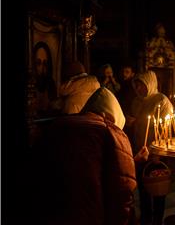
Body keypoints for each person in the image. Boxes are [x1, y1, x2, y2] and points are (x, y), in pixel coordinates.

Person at [30, 86, 149, 225]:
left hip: (47, 211)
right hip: (91, 214)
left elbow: (90, 165)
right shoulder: (111, 133)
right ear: (110, 116)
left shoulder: (55, 126)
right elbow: (121, 189)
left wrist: (132, 161)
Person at [126, 70, 173, 225]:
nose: (138, 89)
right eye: (136, 85)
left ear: (150, 84)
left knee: (158, 188)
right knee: (143, 189)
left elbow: (168, 127)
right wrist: (131, 122)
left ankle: (157, 220)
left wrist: (158, 152)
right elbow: (136, 123)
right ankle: (146, 219)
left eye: (142, 85)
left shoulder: (161, 101)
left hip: (156, 152)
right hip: (139, 151)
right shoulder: (136, 102)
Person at [33, 41, 57, 118]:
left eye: (45, 64)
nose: (42, 68)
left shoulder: (50, 83)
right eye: (38, 63)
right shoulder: (30, 84)